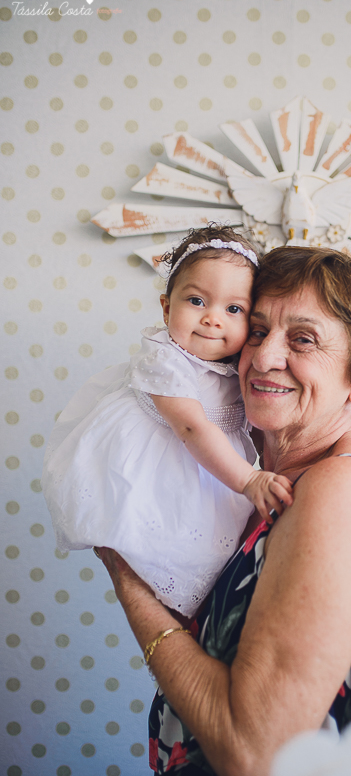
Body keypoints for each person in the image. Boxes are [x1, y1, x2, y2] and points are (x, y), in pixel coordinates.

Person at [99, 245, 351, 776]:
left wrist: (126, 577)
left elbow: (257, 759)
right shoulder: (273, 492)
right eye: (256, 329)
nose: (264, 357)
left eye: (303, 339)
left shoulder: (340, 493)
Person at [42, 226, 292, 617]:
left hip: (207, 473)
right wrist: (249, 479)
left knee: (207, 560)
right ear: (165, 308)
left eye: (233, 309)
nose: (212, 319)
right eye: (196, 300)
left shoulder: (239, 366)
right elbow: (191, 428)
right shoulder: (164, 356)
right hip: (151, 467)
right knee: (155, 553)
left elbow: (255, 428)